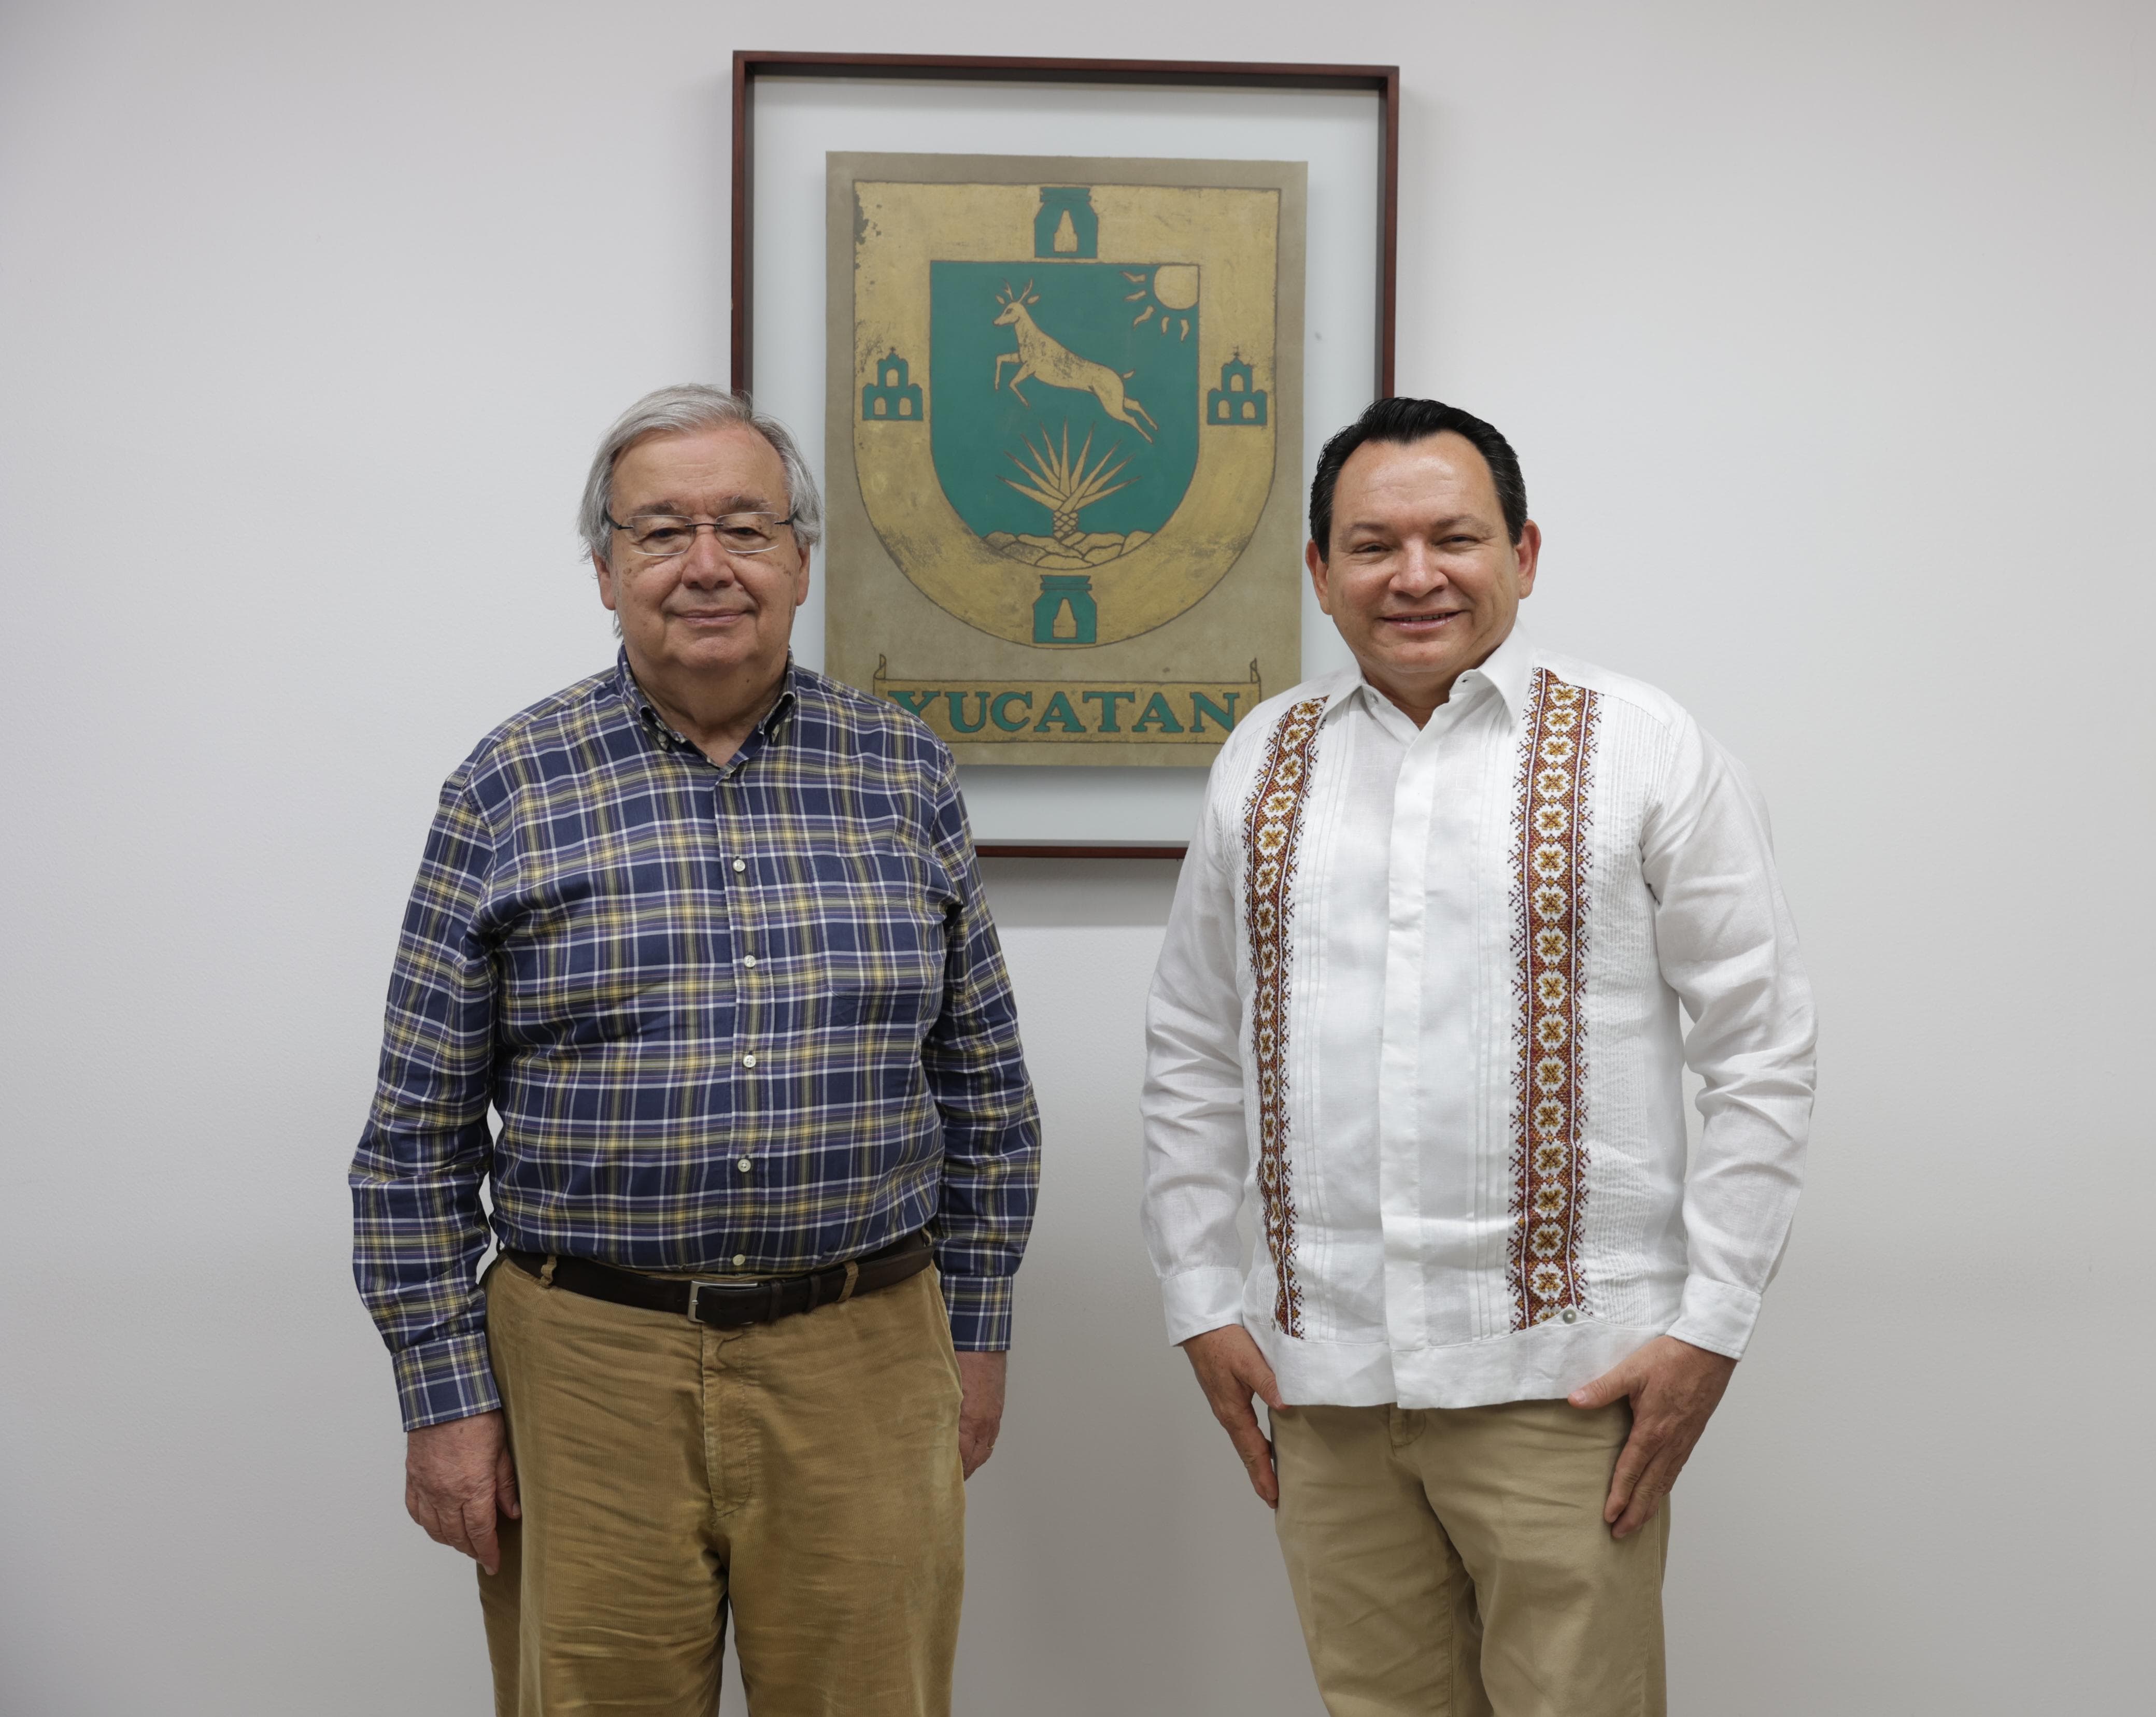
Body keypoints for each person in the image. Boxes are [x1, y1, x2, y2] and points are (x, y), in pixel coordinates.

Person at [350, 384, 1040, 1717]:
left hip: (864, 1350)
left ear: (799, 558)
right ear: (605, 570)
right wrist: (444, 1398)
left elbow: (986, 1094)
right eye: (662, 531)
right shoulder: (506, 785)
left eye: (746, 525)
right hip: (585, 1365)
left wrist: (978, 1331)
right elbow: (414, 1139)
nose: (708, 564)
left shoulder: (903, 772)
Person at [1142, 396, 1815, 1715]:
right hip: (1325, 1380)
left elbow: (1761, 1045)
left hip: (1562, 1381)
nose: (1414, 576)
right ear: (1320, 573)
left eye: (1453, 536)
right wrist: (1200, 1293)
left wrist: (1710, 1324)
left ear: (1524, 550)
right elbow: (1189, 1044)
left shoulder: (1643, 746)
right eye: (1372, 544)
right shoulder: (1263, 761)